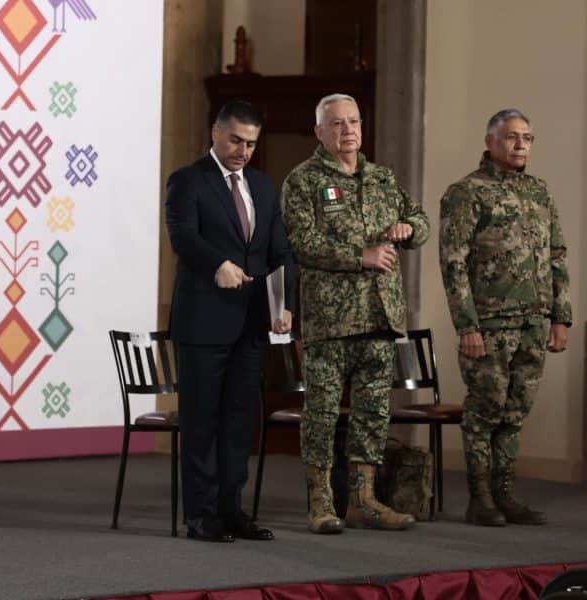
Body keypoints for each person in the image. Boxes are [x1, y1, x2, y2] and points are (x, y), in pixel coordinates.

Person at [282, 93, 429, 534]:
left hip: (380, 316)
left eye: (354, 121)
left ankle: (364, 500)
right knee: (322, 414)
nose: (348, 130)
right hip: (331, 321)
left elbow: (420, 220)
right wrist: (359, 256)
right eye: (337, 123)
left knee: (372, 414)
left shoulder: (382, 178)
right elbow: (301, 242)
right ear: (319, 131)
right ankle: (321, 502)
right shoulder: (304, 180)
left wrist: (409, 228)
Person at [166, 100, 295, 543]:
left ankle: (231, 510)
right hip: (203, 321)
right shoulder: (188, 180)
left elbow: (280, 251)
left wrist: (285, 304)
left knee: (239, 422)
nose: (243, 151)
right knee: (201, 422)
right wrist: (217, 264)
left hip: (251, 324)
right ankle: (201, 516)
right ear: (215, 133)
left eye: (251, 144)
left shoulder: (262, 186)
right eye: (236, 140)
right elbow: (183, 236)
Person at [439, 108, 571, 527]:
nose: (520, 145)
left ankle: (505, 495)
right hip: (490, 325)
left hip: (534, 321)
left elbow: (556, 256)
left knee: (515, 413)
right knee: (485, 411)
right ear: (490, 142)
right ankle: (480, 499)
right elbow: (454, 264)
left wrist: (560, 317)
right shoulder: (466, 192)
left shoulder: (539, 192)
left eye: (527, 138)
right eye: (511, 137)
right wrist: (467, 326)